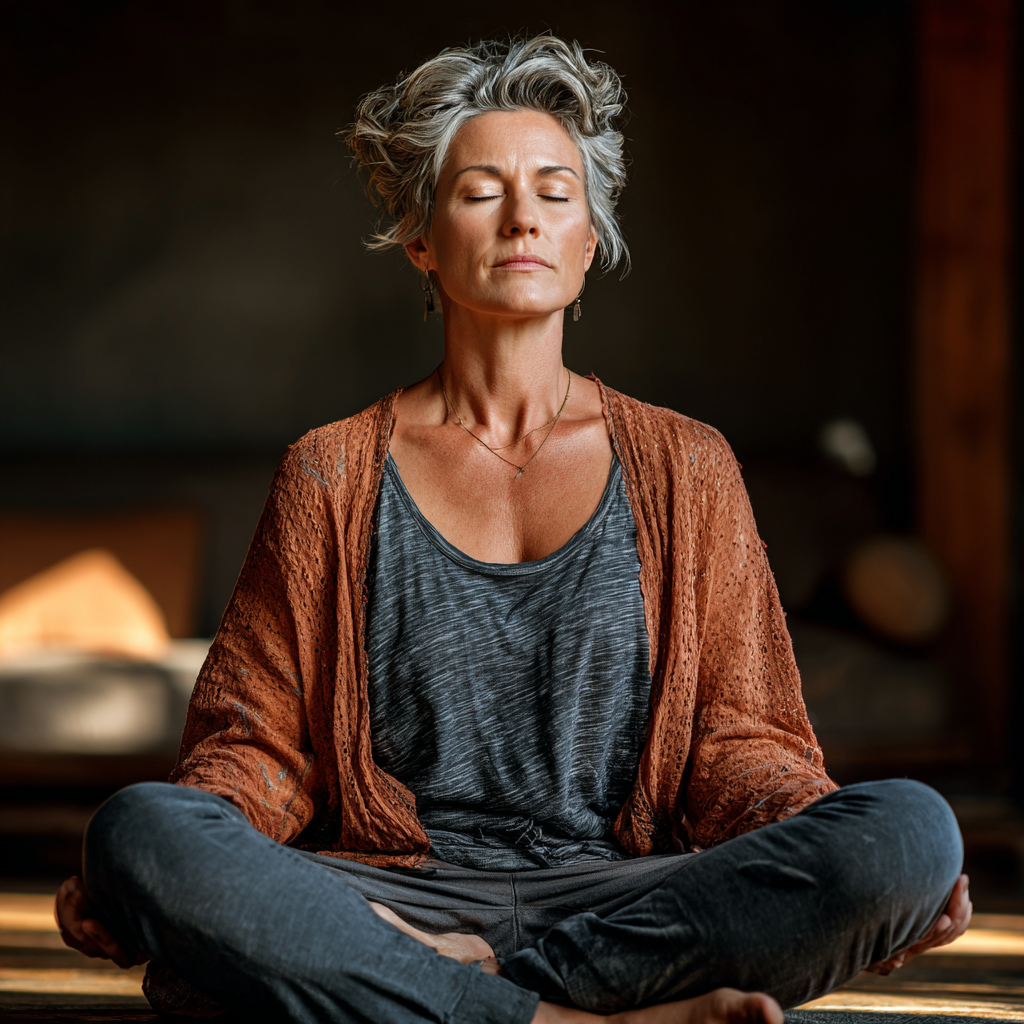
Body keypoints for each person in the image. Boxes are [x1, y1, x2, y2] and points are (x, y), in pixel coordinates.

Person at [55, 35, 970, 1024]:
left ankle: (418, 994)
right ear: (421, 237)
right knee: (141, 829)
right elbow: (258, 744)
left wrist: (845, 849)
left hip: (627, 899)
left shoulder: (686, 466)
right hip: (398, 892)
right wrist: (171, 864)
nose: (523, 215)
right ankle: (570, 1017)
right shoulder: (330, 470)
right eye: (481, 190)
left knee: (912, 830)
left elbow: (737, 742)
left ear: (589, 239)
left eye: (555, 191)